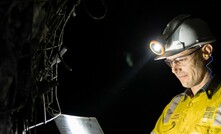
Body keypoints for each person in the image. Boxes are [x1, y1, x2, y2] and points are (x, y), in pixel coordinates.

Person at [149, 14, 221, 133]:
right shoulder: (174, 105)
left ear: (206, 51)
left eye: (180, 60)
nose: (174, 69)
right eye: (170, 62)